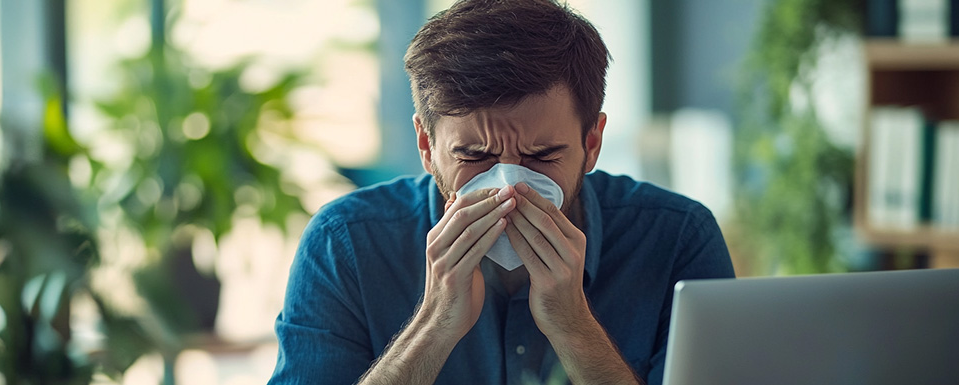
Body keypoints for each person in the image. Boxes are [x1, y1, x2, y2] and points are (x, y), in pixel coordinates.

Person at [268, 0, 735, 384]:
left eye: (541, 155)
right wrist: (433, 326)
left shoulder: (677, 238)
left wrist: (573, 325)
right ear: (427, 147)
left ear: (591, 143)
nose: (509, 186)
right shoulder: (343, 244)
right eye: (475, 155)